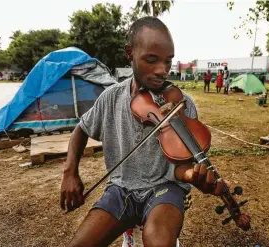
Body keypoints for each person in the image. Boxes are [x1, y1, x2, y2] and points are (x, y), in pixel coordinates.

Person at [60, 16, 224, 247]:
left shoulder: (182, 105)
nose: (162, 71)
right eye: (151, 60)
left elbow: (180, 168)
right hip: (120, 189)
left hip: (165, 188)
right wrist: (70, 172)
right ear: (130, 54)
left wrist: (193, 177)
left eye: (168, 62)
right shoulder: (111, 98)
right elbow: (81, 130)